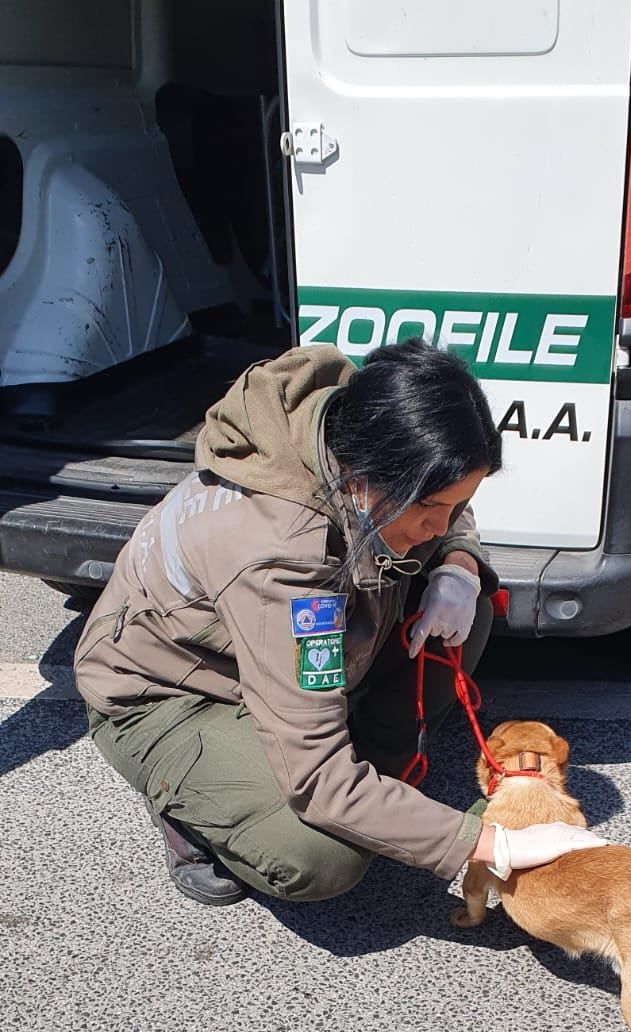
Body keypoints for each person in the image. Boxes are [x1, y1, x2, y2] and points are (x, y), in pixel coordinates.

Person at [74, 340, 601, 907]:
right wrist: (488, 843)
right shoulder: (281, 559)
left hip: (270, 645)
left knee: (459, 618)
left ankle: (380, 782)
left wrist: (460, 563)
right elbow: (319, 780)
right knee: (321, 854)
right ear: (372, 477)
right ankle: (199, 808)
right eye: (432, 509)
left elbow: (443, 493)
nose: (441, 523)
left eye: (454, 505)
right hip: (175, 693)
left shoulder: (355, 420)